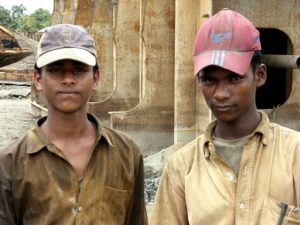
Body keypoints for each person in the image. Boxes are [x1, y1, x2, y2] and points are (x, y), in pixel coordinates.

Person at [150, 8, 300, 225]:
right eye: (209, 80)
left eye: (234, 78)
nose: (220, 93)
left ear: (259, 75)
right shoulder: (182, 168)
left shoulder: (294, 154)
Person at [0, 24, 148, 225]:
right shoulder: (10, 162)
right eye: (55, 70)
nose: (68, 79)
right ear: (37, 79)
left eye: (79, 70)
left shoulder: (127, 154)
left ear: (95, 78)